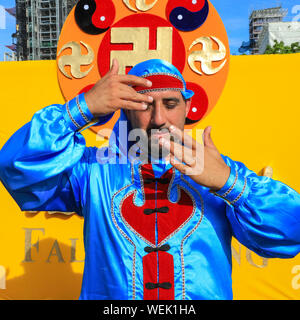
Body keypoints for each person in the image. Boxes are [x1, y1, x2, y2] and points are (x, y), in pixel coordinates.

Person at [1, 58, 300, 300]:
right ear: (127, 112)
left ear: (187, 108)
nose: (158, 119)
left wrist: (227, 183)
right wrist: (83, 108)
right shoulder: (93, 171)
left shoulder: (219, 172)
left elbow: (291, 230)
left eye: (170, 105)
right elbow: (15, 166)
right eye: (144, 106)